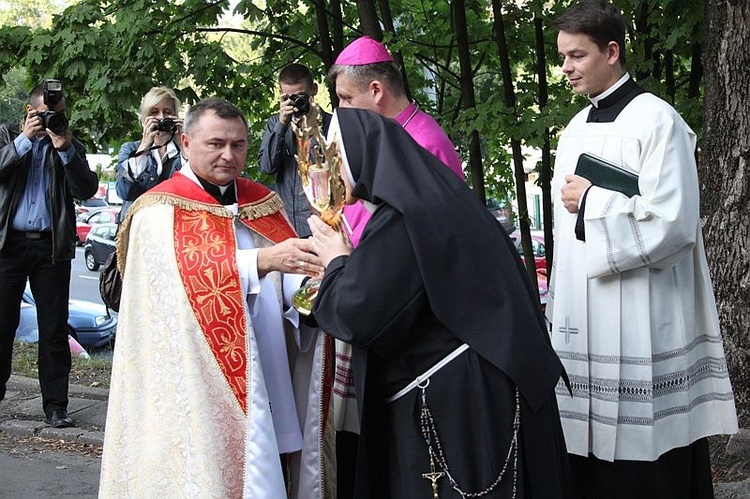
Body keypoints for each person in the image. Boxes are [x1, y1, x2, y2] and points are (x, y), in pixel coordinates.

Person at [308, 107, 571, 498]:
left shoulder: (402, 218)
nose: (332, 175)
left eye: (336, 162)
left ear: (360, 157)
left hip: (461, 396)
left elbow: (360, 316)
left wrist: (336, 264)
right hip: (489, 379)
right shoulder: (439, 199)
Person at [547, 1, 738, 497]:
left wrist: (592, 201)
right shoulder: (574, 130)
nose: (565, 67)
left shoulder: (658, 121)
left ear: (611, 51)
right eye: (563, 56)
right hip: (582, 324)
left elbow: (673, 223)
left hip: (641, 319)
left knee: (648, 463)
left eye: (576, 55)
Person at [99, 98, 333, 498]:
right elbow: (178, 283)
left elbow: (287, 275)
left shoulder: (263, 202)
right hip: (194, 381)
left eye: (239, 145)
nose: (229, 155)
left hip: (267, 363)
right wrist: (261, 261)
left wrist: (312, 287)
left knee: (269, 464)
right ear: (187, 143)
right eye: (216, 144)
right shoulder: (158, 210)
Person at [0, 82, 98, 428]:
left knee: (54, 330)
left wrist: (66, 148)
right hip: (7, 247)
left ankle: (56, 406)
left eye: (58, 114)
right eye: (45, 114)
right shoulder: (6, 137)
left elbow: (85, 190)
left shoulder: (69, 144)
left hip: (50, 246)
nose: (52, 119)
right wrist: (24, 140)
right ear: (29, 112)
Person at [328, 35, 464, 247]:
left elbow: (429, 237)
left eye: (346, 98)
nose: (342, 108)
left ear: (376, 91)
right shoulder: (373, 139)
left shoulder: (426, 145)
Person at [259, 63, 332, 237]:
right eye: (289, 98)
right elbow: (266, 167)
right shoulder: (275, 124)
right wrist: (282, 125)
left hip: (322, 224)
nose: (296, 102)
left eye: (301, 96)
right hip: (286, 226)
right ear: (281, 94)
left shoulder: (332, 123)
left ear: (314, 89)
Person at [115, 86, 185, 222]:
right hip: (138, 229)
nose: (161, 118)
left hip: (174, 228)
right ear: (144, 118)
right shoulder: (130, 149)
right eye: (154, 112)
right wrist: (144, 146)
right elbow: (124, 191)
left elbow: (196, 187)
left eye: (167, 112)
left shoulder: (185, 151)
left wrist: (183, 143)